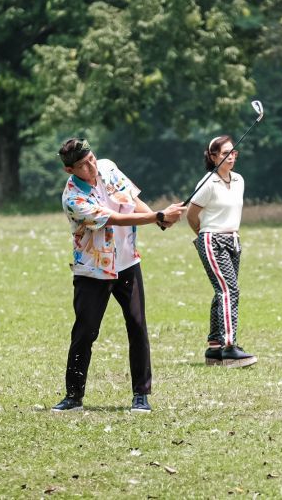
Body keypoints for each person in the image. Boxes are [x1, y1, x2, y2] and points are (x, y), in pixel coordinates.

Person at [53, 137, 186, 413]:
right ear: (70, 170)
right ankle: (74, 396)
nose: (91, 166)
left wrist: (158, 218)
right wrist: (158, 216)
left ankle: (141, 395)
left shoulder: (107, 167)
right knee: (85, 332)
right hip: (93, 271)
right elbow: (114, 217)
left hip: (127, 263)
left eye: (91, 159)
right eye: (83, 165)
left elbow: (130, 199)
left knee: (137, 326)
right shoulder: (72, 198)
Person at [186, 135, 257, 368]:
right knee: (230, 291)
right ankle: (229, 347)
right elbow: (192, 215)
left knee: (222, 292)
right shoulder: (208, 183)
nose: (231, 156)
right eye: (226, 153)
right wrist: (204, 235)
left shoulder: (239, 180)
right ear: (213, 156)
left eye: (234, 152)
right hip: (212, 239)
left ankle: (215, 348)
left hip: (233, 240)